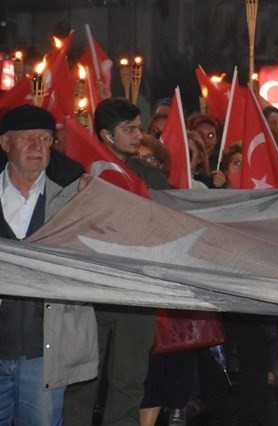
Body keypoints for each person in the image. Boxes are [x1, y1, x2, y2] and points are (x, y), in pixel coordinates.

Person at [64, 98, 167, 426]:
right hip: (91, 288)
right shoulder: (77, 169)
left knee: (129, 381)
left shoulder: (150, 175)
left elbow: (169, 222)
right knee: (82, 380)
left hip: (136, 292)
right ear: (107, 135)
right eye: (130, 129)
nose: (139, 135)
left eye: (139, 127)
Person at [0, 105, 98, 425]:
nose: (37, 147)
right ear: (5, 144)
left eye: (44, 139)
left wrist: (90, 208)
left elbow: (100, 255)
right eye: (27, 138)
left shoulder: (74, 195)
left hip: (45, 351)